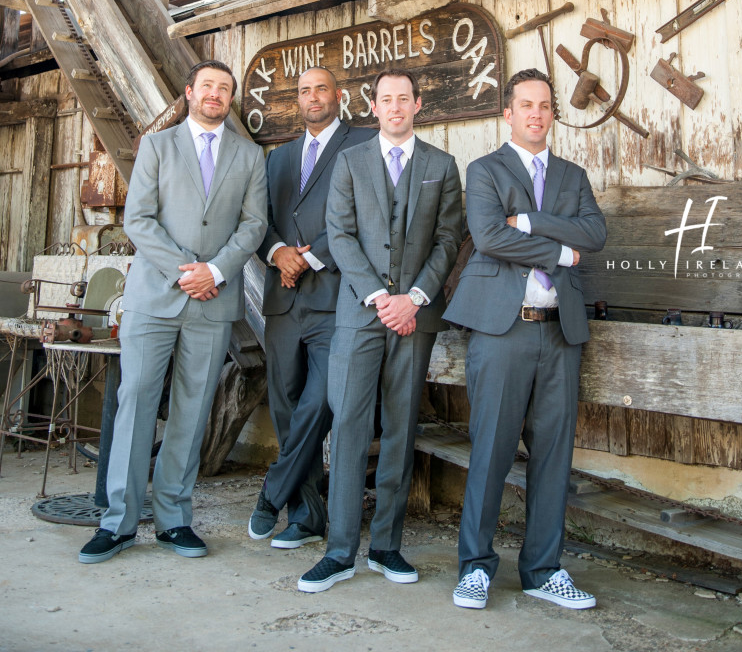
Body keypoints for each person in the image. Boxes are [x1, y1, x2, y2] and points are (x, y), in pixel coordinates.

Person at [79, 60, 268, 563]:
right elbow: (138, 220)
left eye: (224, 89)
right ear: (189, 93)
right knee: (136, 402)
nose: (215, 94)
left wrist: (217, 271)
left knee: (192, 410)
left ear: (231, 98)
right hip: (155, 297)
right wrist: (186, 270)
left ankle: (173, 519)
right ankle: (116, 522)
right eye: (207, 86)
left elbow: (253, 226)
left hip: (213, 301)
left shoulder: (250, 157)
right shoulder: (158, 147)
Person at [445, 68, 606, 611]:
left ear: (552, 114)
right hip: (502, 329)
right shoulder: (485, 169)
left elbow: (595, 234)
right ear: (508, 114)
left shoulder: (572, 174)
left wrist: (533, 222)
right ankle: (475, 567)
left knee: (554, 455)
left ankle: (542, 570)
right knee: (490, 449)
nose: (536, 114)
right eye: (526, 105)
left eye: (545, 106)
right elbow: (490, 236)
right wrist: (560, 251)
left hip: (560, 332)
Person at [298, 68, 462, 593]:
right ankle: (340, 550)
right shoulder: (349, 161)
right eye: (385, 99)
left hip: (415, 317)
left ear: (418, 104)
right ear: (373, 107)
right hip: (360, 314)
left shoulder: (442, 164)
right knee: (347, 423)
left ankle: (387, 546)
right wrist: (379, 297)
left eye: (403, 98)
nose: (394, 107)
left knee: (400, 426)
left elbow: (448, 239)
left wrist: (412, 298)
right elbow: (340, 237)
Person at [248, 67, 375, 549]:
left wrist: (309, 257)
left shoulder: (362, 144)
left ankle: (271, 492)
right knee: (285, 404)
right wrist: (278, 252)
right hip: (281, 298)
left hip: (336, 296)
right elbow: (258, 219)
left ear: (339, 96)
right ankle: (305, 515)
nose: (313, 97)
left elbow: (366, 214)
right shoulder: (277, 158)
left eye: (322, 88)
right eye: (304, 90)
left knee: (320, 401)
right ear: (297, 101)